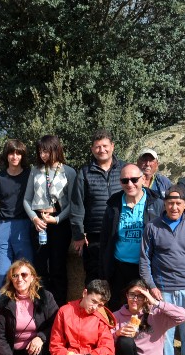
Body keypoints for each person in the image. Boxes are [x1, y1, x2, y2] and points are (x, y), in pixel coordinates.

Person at [139, 185, 185, 355]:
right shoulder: (152, 227)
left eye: (178, 203)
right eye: (170, 203)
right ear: (164, 204)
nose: (174, 207)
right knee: (165, 335)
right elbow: (144, 261)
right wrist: (152, 286)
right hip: (162, 290)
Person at [100, 164, 162, 311]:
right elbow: (105, 239)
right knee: (118, 307)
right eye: (125, 181)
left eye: (134, 179)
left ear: (143, 179)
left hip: (146, 267)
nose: (130, 184)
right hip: (119, 266)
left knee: (146, 309)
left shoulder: (157, 204)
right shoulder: (113, 205)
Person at [23, 135, 77, 304]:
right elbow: (26, 199)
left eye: (46, 151)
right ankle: (41, 307)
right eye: (40, 151)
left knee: (57, 267)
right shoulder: (35, 170)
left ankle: (59, 307)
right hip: (39, 223)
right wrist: (34, 219)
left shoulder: (69, 171)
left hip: (60, 223)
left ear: (55, 150)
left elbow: (73, 202)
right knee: (39, 267)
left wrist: (58, 219)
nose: (43, 155)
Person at [0, 260, 59, 355]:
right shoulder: (3, 302)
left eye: (24, 275)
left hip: (37, 348)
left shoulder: (45, 297)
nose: (19, 279)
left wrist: (41, 337)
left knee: (38, 352)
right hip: (14, 350)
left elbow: (56, 323)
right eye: (15, 275)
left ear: (32, 277)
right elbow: (0, 337)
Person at [111, 281, 185, 355]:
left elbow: (183, 316)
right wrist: (117, 333)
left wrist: (156, 303)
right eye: (132, 294)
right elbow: (105, 340)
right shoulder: (117, 315)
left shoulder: (156, 314)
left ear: (146, 297)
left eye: (140, 296)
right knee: (125, 340)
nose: (135, 299)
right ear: (127, 295)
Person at [72, 129, 124, 281]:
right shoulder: (84, 173)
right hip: (94, 235)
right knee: (94, 277)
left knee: (120, 277)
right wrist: (78, 235)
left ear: (112, 146)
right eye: (97, 147)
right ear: (92, 149)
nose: (102, 150)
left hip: (121, 231)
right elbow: (77, 205)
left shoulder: (124, 169)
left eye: (105, 145)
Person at [49, 279, 117, 355]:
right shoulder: (64, 311)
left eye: (100, 305)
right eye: (93, 301)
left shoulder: (101, 317)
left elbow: (108, 348)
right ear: (85, 293)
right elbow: (56, 345)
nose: (95, 307)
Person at [0, 139, 34, 295]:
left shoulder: (30, 175)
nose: (15, 157)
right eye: (11, 153)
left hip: (25, 226)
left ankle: (27, 313)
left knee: (26, 272)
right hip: (4, 226)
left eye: (18, 153)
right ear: (6, 156)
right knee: (2, 272)